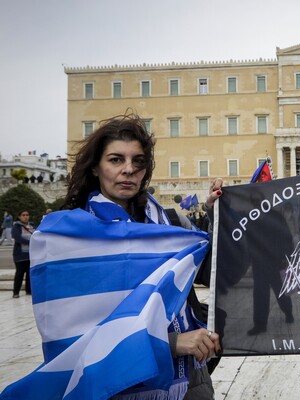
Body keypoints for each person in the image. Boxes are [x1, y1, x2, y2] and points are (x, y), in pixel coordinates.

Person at [60, 113, 220, 399]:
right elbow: (76, 337)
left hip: (189, 383)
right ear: (96, 167)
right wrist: (171, 343)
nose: (128, 169)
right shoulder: (74, 238)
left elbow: (215, 272)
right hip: (117, 387)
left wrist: (219, 215)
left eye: (138, 161)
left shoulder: (171, 224)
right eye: (116, 159)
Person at [11, 210, 34, 298]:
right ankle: (16, 292)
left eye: (27, 215)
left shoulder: (31, 226)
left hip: (31, 254)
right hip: (20, 255)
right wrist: (31, 242)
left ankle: (29, 291)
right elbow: (17, 238)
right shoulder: (16, 226)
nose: (25, 217)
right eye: (23, 215)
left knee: (29, 273)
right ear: (19, 217)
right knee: (20, 273)